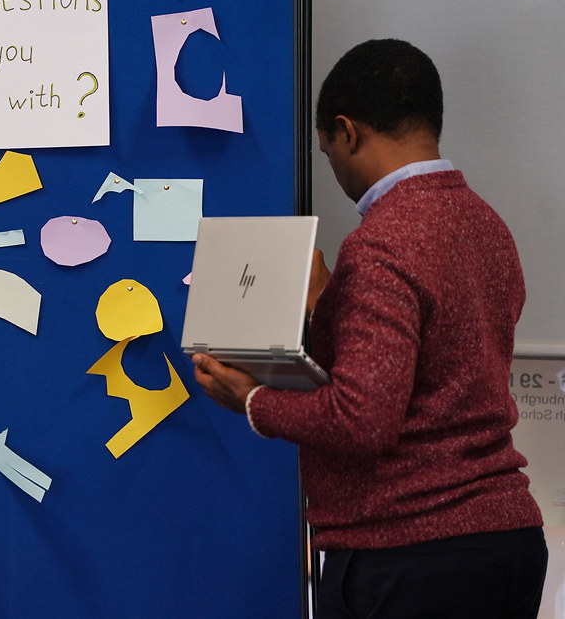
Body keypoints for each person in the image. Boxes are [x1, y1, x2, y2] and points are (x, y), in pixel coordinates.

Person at [192, 39, 547, 618]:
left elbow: (363, 420)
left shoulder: (381, 243)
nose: (333, 167)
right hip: (506, 542)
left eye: (327, 151)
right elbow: (439, 368)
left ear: (346, 131)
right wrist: (331, 302)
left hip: (412, 553)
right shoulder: (487, 225)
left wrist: (253, 400)